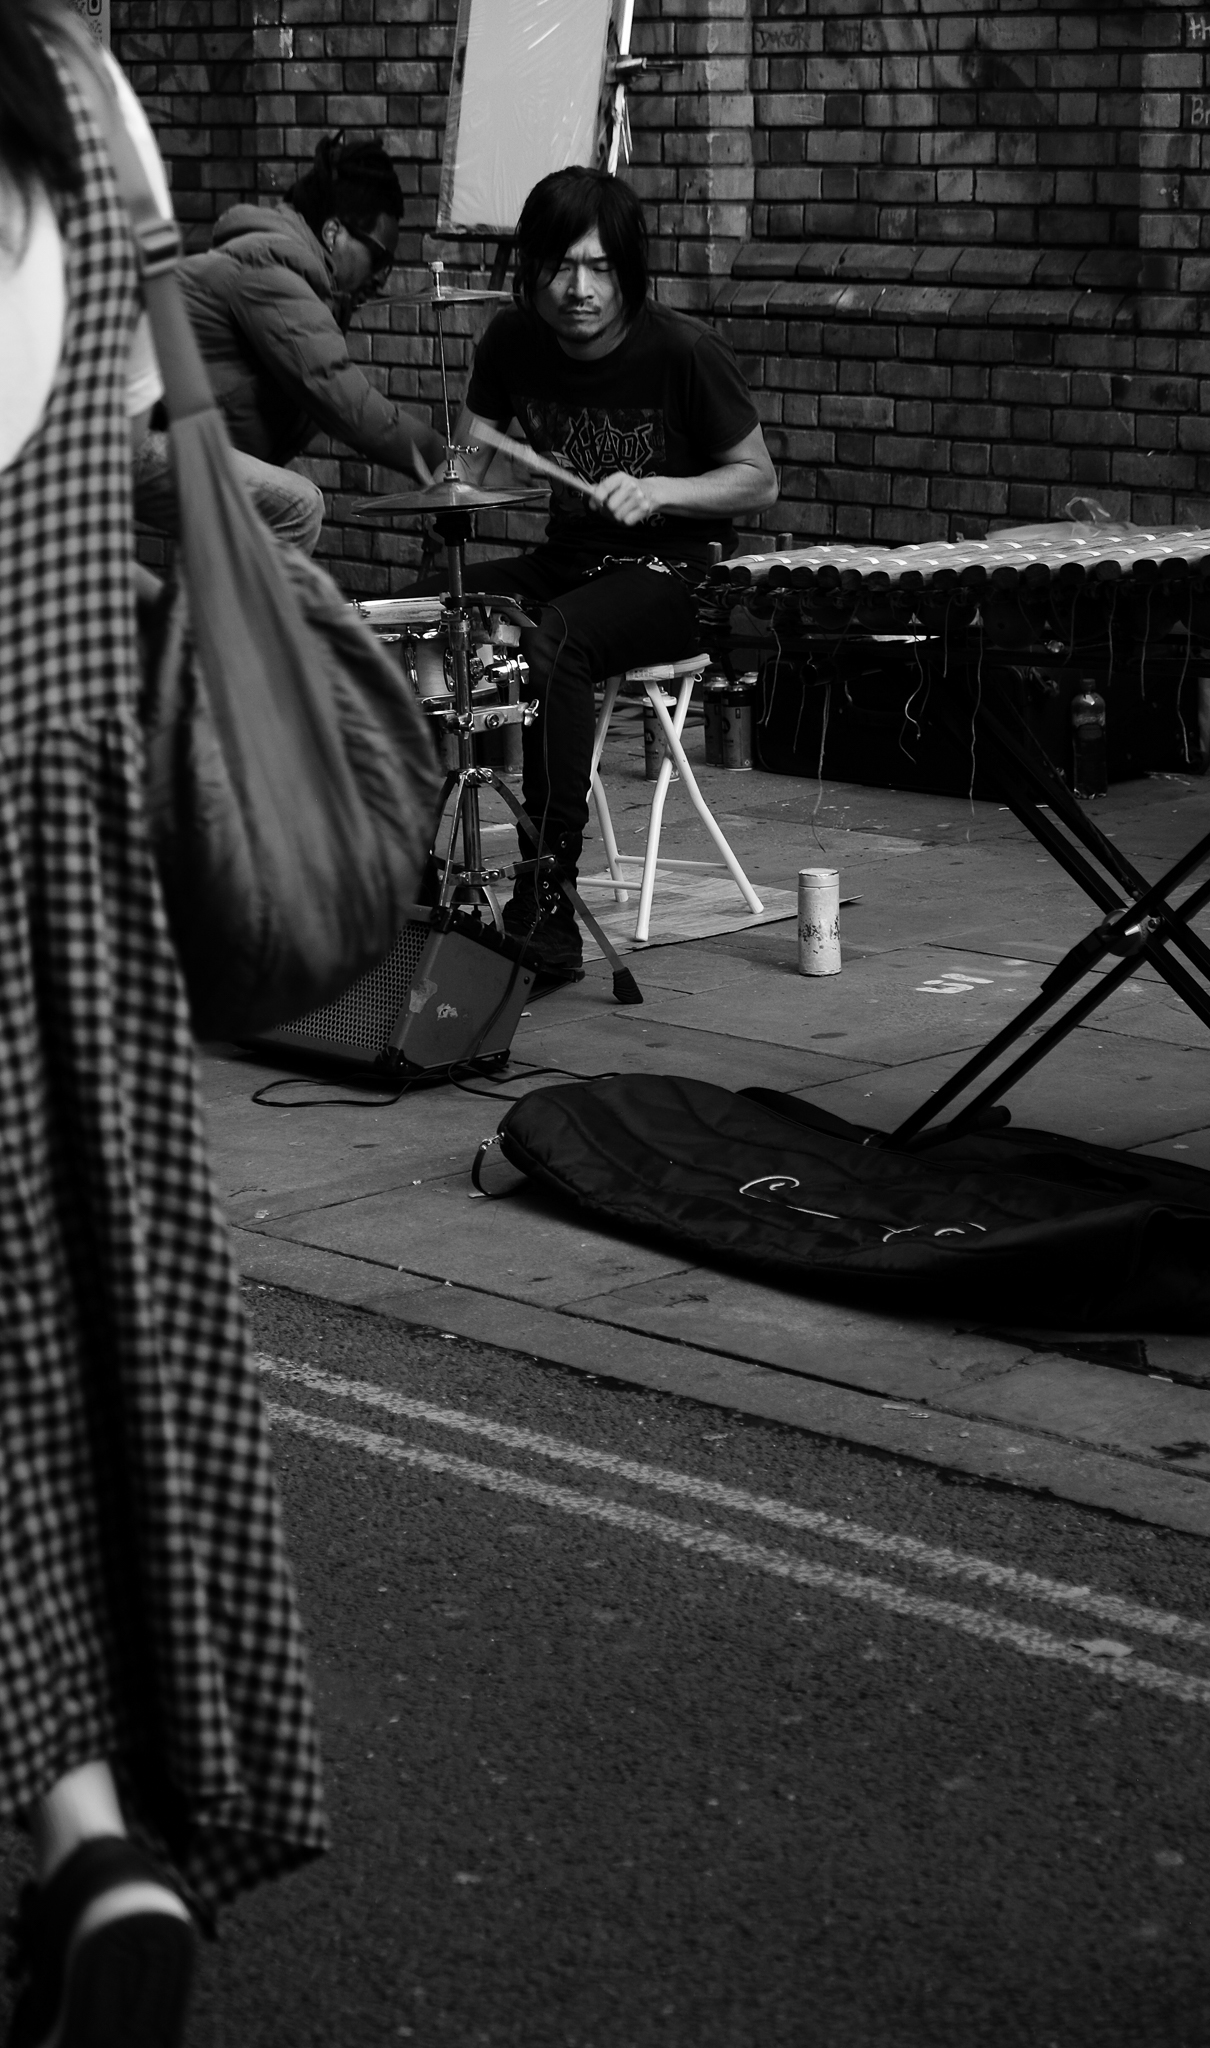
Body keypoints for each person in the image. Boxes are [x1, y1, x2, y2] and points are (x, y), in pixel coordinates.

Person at [0, 7, 326, 2043]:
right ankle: (95, 1825)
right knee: (82, 1322)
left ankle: (89, 1836)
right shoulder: (86, 98)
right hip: (65, 814)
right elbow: (96, 433)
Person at [446, 167, 779, 981]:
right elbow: (472, 465)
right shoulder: (511, 342)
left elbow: (758, 480)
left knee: (555, 640)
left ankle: (547, 898)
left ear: (629, 271)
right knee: (438, 601)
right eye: (560, 267)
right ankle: (410, 856)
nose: (579, 288)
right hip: (571, 559)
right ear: (529, 271)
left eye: (598, 268)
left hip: (678, 573)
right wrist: (461, 475)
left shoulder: (682, 351)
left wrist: (662, 487)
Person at [133, 132, 446, 553]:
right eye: (378, 256)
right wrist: (437, 453)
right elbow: (342, 397)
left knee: (246, 538)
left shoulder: (296, 280)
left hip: (156, 434)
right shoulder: (269, 270)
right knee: (296, 506)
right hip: (118, 433)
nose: (381, 277)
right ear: (333, 232)